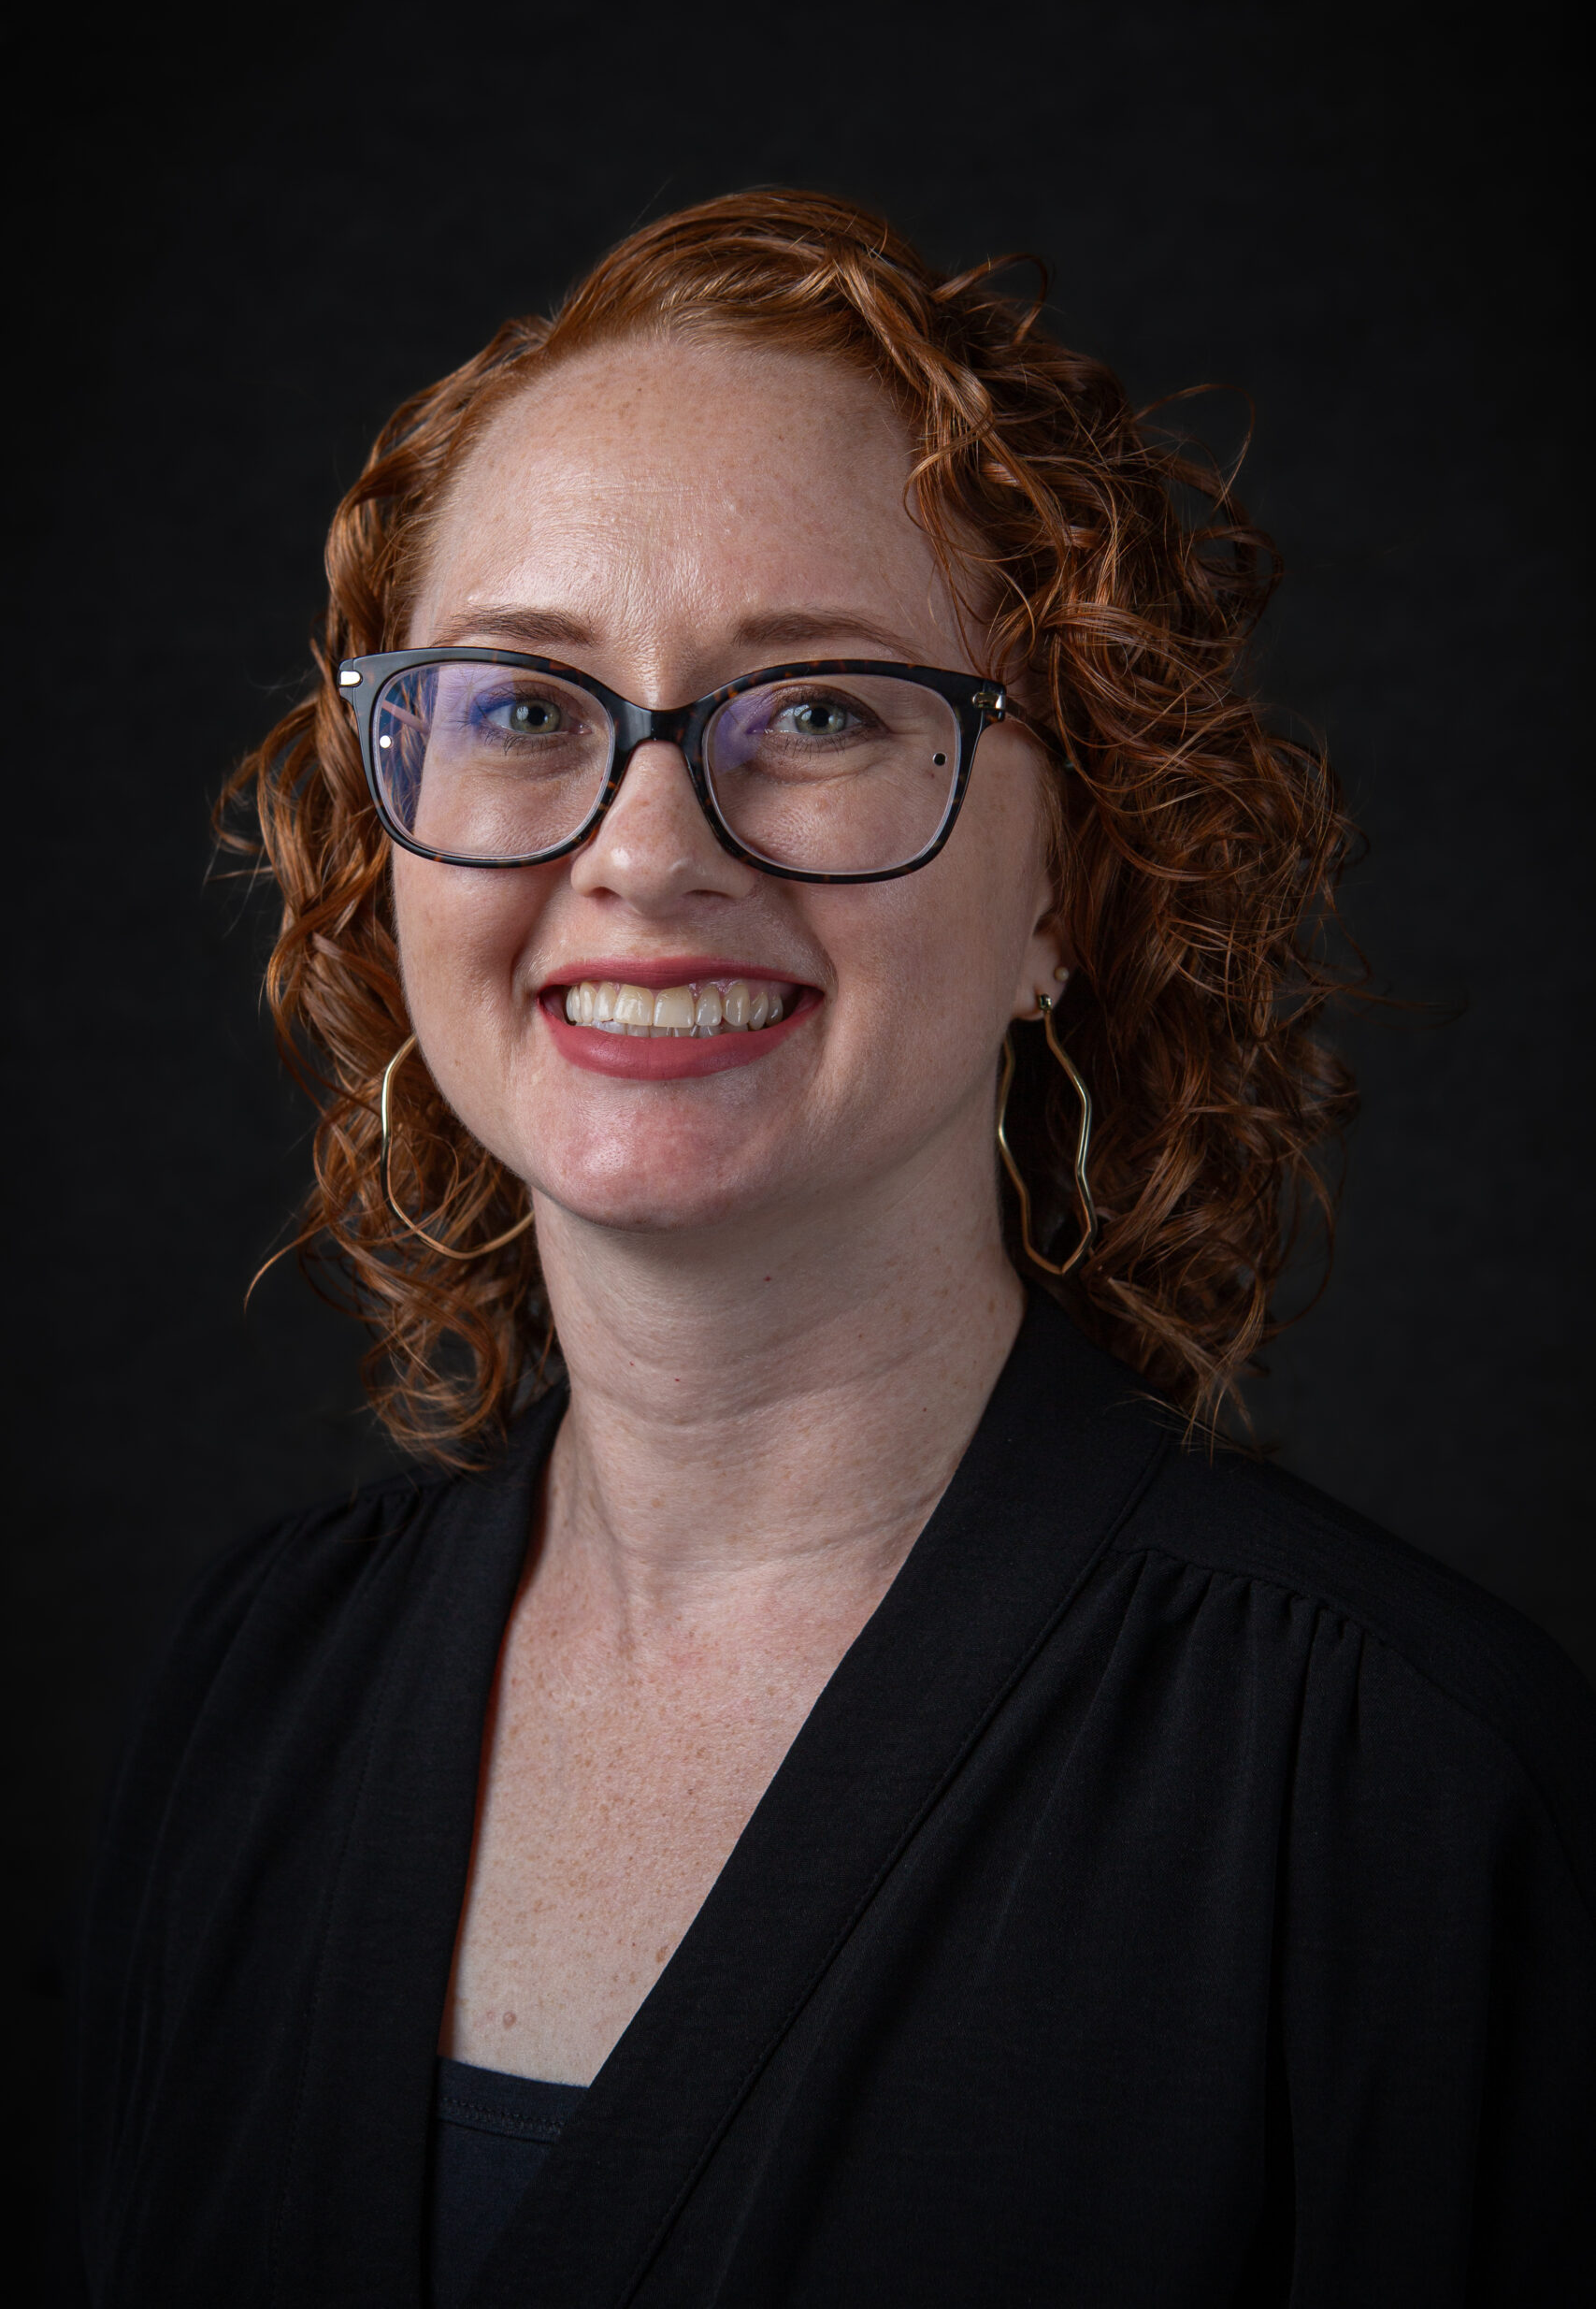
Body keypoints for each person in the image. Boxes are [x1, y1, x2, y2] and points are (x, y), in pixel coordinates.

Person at [68, 191, 1593, 2308]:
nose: (644, 849)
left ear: (1067, 878)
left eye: (816, 712)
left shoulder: (1401, 1801)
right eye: (521, 705)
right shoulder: (255, 1689)